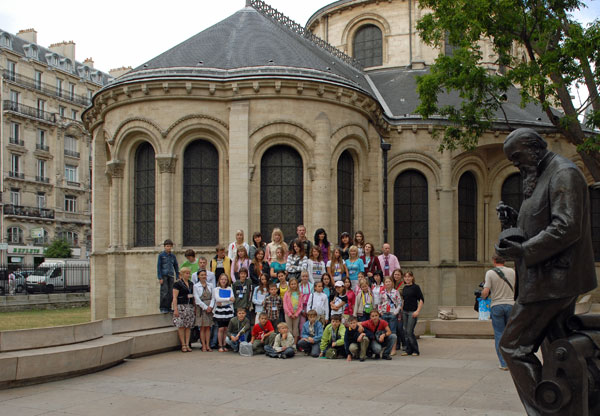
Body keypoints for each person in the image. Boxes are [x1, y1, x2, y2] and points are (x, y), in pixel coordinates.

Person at [495, 128, 597, 416]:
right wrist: (514, 221)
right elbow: (544, 222)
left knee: (513, 346)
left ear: (534, 148)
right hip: (548, 279)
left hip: (552, 281)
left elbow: (566, 227)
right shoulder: (541, 175)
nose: (515, 163)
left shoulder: (563, 173)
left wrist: (525, 250)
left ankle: (543, 410)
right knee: (559, 350)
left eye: (517, 156)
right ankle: (571, 405)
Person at [481, 254, 515, 370]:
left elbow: (486, 291)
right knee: (510, 334)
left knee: (499, 334)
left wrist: (483, 296)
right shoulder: (512, 272)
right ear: (504, 261)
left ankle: (504, 363)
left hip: (497, 305)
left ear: (494, 261)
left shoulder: (490, 273)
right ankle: (513, 361)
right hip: (511, 305)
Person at [401, 271, 424, 356]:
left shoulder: (416, 287)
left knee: (409, 331)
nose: (407, 278)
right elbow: (404, 300)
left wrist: (417, 311)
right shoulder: (404, 288)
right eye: (405, 277)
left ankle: (415, 350)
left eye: (409, 277)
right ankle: (408, 350)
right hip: (405, 312)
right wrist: (401, 309)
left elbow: (421, 300)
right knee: (405, 332)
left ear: (412, 278)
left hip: (412, 312)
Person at [172, 267, 195, 352]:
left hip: (189, 306)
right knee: (181, 326)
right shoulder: (177, 284)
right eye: (186, 273)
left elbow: (193, 295)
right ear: (182, 274)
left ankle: (188, 343)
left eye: (189, 273)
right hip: (181, 306)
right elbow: (174, 297)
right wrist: (175, 309)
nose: (188, 275)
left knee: (188, 326)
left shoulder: (191, 283)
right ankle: (183, 344)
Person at [193, 269, 215, 352]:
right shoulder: (196, 286)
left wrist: (211, 306)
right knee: (202, 327)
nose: (203, 276)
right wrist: (205, 307)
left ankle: (208, 345)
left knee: (208, 327)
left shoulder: (210, 285)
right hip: (202, 308)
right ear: (198, 276)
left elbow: (213, 297)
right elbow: (197, 299)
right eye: (201, 275)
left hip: (210, 307)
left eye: (205, 275)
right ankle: (203, 345)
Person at [379, 276, 401, 356]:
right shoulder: (382, 293)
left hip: (392, 313)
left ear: (392, 283)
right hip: (384, 313)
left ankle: (393, 349)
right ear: (384, 284)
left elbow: (399, 303)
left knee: (393, 331)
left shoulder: (396, 292)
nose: (388, 283)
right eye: (386, 282)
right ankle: (387, 347)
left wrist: (395, 312)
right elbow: (379, 302)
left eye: (389, 281)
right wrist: (380, 311)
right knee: (385, 332)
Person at [213, 273, 235, 352]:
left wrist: (224, 302)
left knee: (226, 329)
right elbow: (218, 299)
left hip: (228, 311)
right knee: (221, 328)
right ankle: (220, 345)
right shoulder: (216, 289)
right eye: (222, 279)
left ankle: (224, 344)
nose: (223, 281)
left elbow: (232, 300)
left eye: (225, 279)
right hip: (220, 311)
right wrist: (227, 299)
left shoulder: (229, 288)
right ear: (219, 280)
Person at [157, 239, 179, 313]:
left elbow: (176, 265)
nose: (168, 248)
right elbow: (159, 267)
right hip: (164, 275)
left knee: (170, 292)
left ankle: (169, 307)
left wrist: (177, 275)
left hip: (171, 275)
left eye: (170, 246)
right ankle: (163, 308)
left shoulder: (173, 256)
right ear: (164, 247)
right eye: (167, 246)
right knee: (164, 292)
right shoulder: (161, 255)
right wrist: (160, 277)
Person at [283, 278, 303, 343]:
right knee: (289, 329)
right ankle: (289, 343)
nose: (293, 285)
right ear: (289, 285)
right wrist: (289, 313)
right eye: (292, 284)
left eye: (295, 284)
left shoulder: (299, 294)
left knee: (295, 329)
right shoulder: (287, 294)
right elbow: (285, 305)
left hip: (296, 314)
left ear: (297, 285)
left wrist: (296, 314)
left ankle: (294, 344)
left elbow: (301, 306)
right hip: (288, 314)